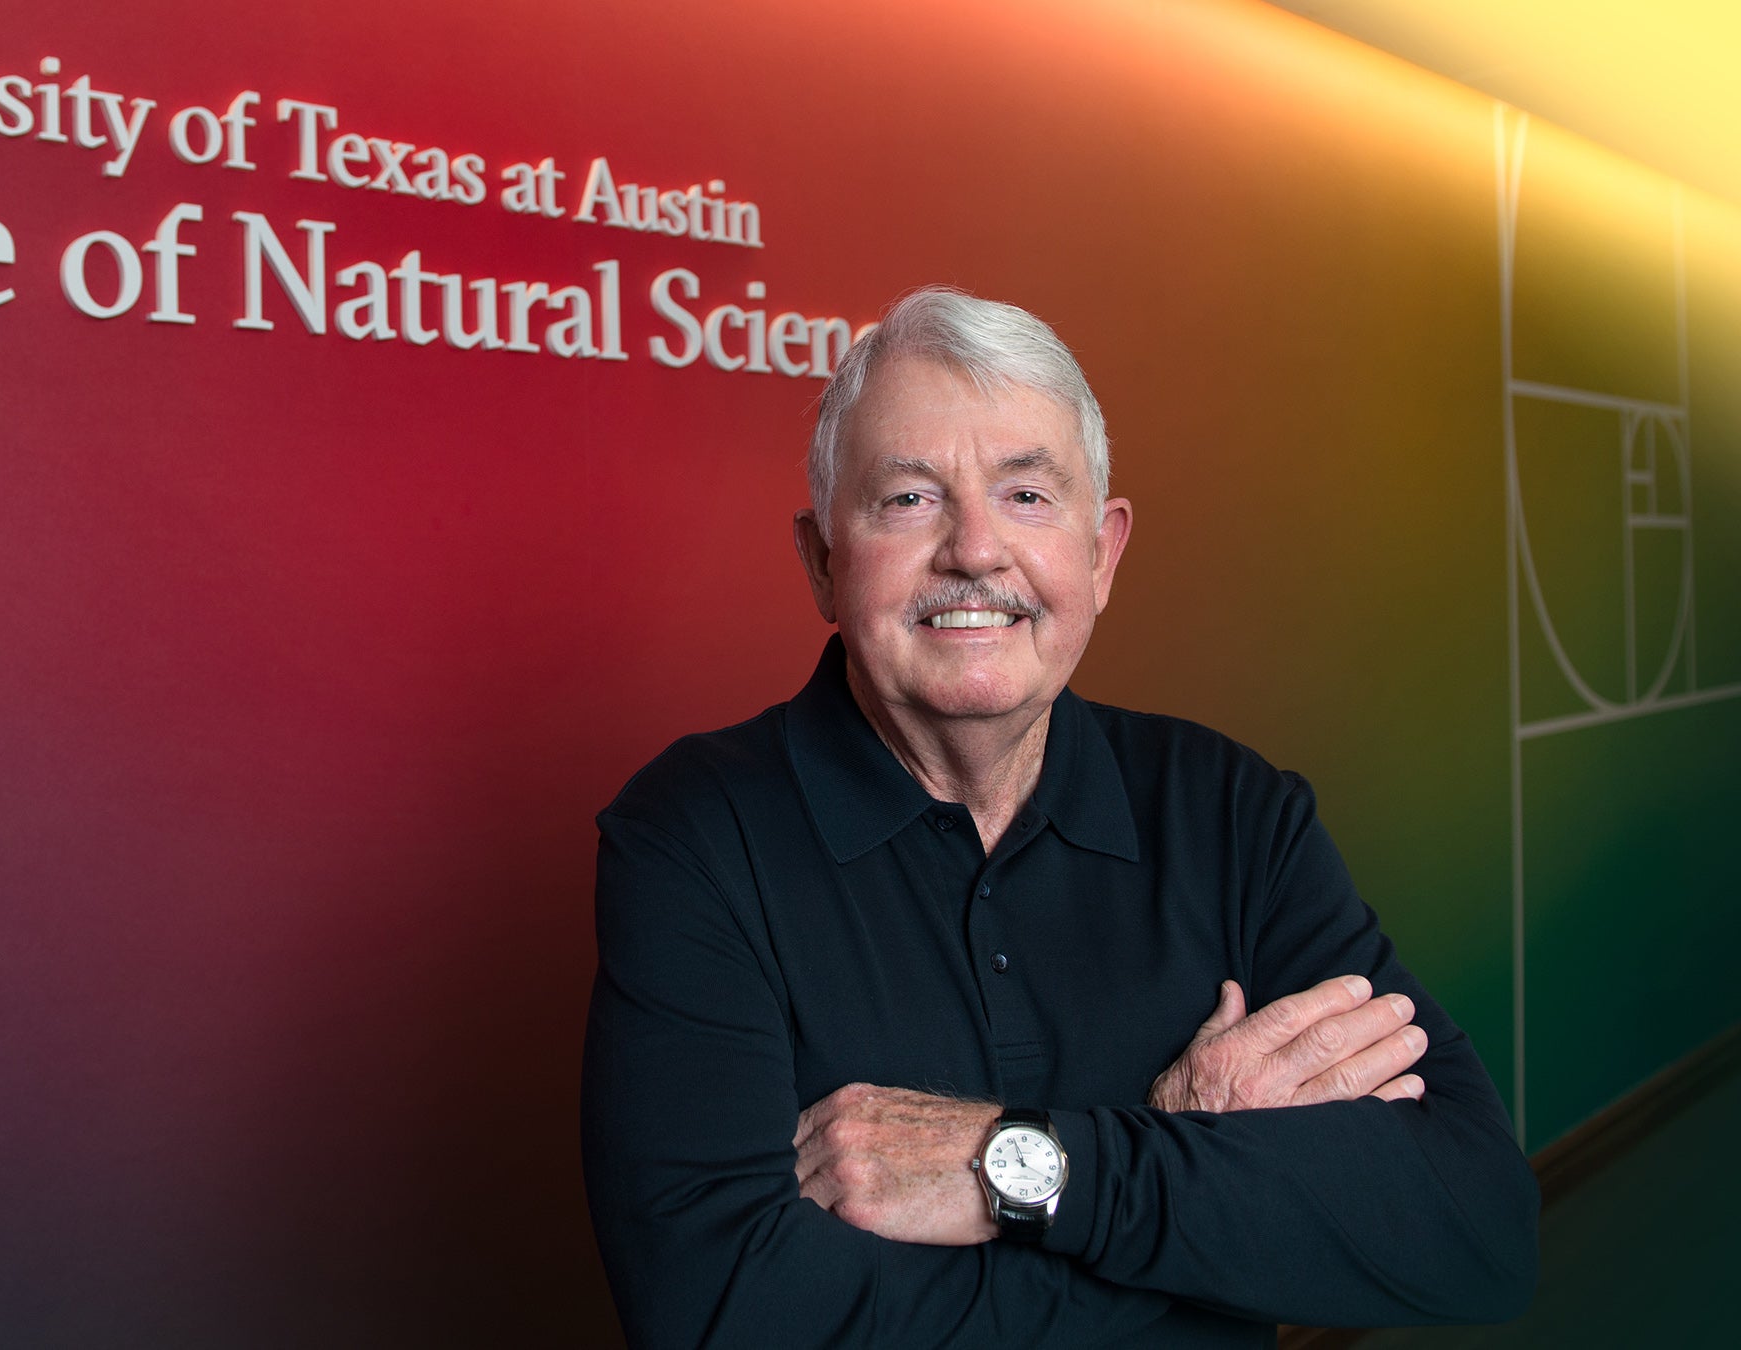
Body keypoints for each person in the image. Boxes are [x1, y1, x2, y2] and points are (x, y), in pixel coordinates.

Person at [579, 287, 1538, 1348]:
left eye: (1028, 495)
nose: (976, 551)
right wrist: (1195, 1179)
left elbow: (1475, 1229)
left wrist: (1030, 1164)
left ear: (1102, 553)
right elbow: (721, 1317)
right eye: (908, 500)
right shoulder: (694, 838)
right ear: (821, 562)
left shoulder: (1231, 810)